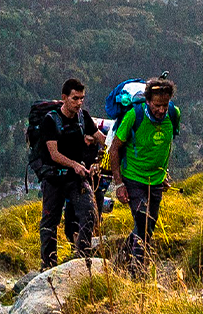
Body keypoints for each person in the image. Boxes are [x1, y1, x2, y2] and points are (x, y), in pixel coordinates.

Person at [109, 76, 180, 272]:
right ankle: (137, 271)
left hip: (155, 181)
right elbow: (114, 150)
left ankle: (121, 258)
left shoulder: (174, 114)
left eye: (165, 105)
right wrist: (119, 184)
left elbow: (166, 145)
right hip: (133, 178)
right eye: (157, 105)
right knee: (143, 221)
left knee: (148, 227)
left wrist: (164, 173)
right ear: (147, 101)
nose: (161, 110)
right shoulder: (134, 115)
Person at [38, 79, 107, 270]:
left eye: (82, 99)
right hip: (54, 178)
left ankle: (81, 259)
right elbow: (54, 153)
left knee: (90, 212)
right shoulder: (50, 121)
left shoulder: (83, 116)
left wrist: (107, 151)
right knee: (50, 222)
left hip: (76, 177)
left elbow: (102, 139)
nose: (79, 103)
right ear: (64, 98)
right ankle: (48, 266)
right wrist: (74, 164)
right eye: (75, 98)